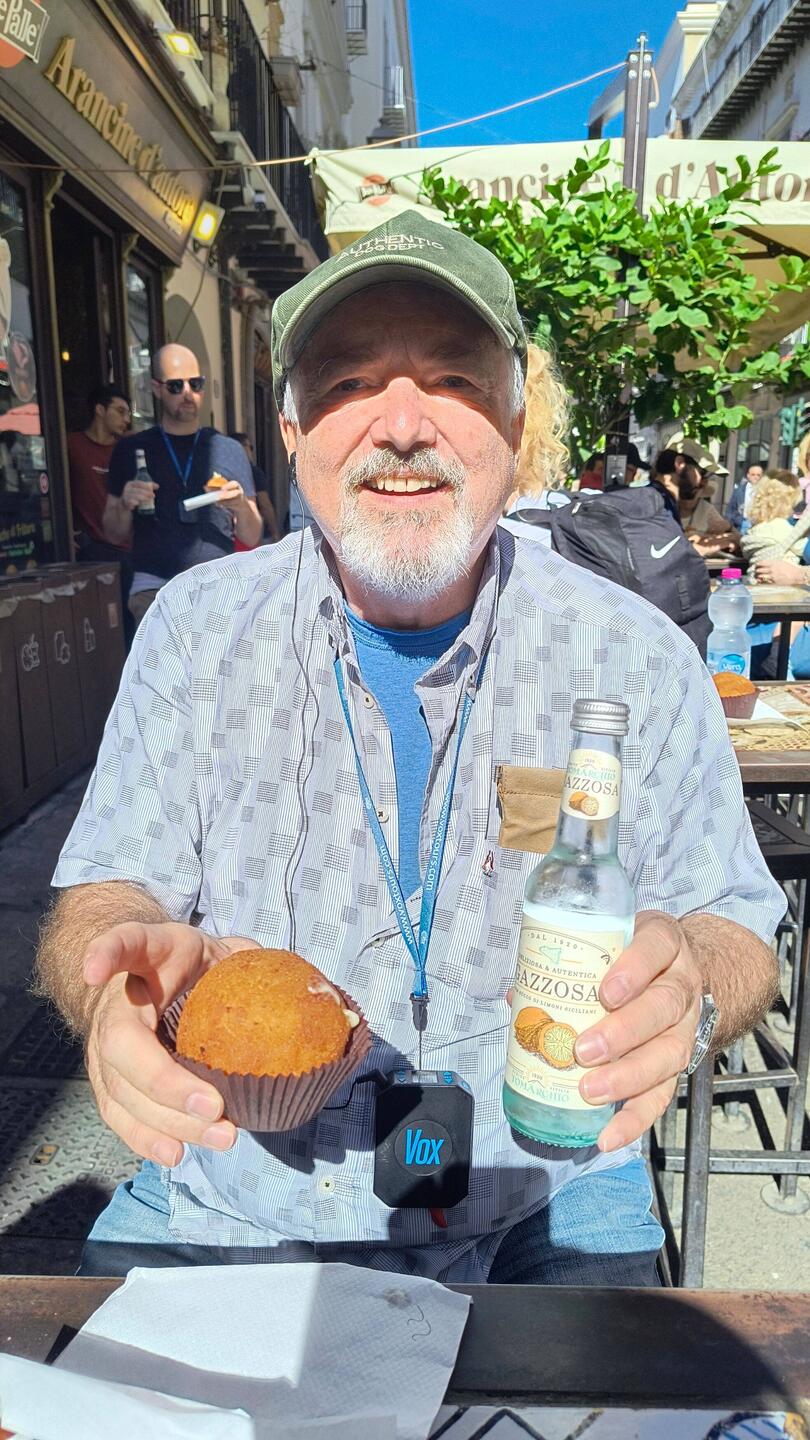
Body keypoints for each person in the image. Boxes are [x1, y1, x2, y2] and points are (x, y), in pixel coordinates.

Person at [38, 210, 783, 1287]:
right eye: (345, 382)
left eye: (452, 379)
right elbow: (103, 899)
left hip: (544, 1189)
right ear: (291, 433)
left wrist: (693, 984)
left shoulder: (630, 655)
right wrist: (112, 987)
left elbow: (737, 916)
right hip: (236, 1192)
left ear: (516, 420)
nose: (399, 424)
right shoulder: (194, 634)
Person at [102, 344, 262, 628]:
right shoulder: (132, 449)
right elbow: (113, 533)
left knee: (217, 673)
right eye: (176, 386)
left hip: (218, 588)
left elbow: (251, 535)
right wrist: (126, 503)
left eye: (195, 384)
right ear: (156, 388)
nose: (188, 393)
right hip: (154, 589)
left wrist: (239, 506)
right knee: (161, 673)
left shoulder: (228, 449)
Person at [67, 384, 135, 641]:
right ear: (99, 409)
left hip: (128, 549)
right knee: (98, 628)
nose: (126, 419)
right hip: (90, 550)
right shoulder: (71, 445)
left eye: (128, 413)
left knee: (130, 625)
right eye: (119, 411)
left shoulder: (127, 451)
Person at [678, 462, 740, 557]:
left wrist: (728, 526)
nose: (692, 493)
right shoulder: (665, 507)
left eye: (698, 488)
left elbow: (735, 536)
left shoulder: (705, 508)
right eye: (686, 489)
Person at [229, 431, 280, 542]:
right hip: (256, 533)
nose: (252, 451)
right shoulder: (253, 472)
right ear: (241, 448)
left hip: (230, 534)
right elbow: (265, 504)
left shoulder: (226, 472)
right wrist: (275, 531)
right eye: (250, 447)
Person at [726, 460, 765, 534]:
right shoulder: (738, 491)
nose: (756, 477)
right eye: (753, 474)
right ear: (748, 475)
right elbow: (730, 511)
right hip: (741, 526)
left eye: (758, 475)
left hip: (758, 528)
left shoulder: (765, 492)